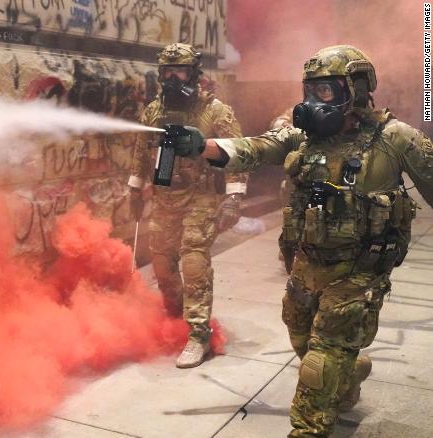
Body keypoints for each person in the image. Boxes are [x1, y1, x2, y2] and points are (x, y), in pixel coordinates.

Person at [177, 45, 433, 437]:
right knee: (300, 335)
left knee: (320, 361)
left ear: (357, 88)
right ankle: (349, 372)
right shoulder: (303, 136)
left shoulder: (395, 139)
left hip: (360, 270)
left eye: (326, 91)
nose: (314, 101)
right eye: (310, 91)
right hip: (308, 261)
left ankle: (309, 426)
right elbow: (255, 147)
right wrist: (204, 147)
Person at [127, 43, 248, 368]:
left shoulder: (215, 111)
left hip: (201, 198)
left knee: (193, 265)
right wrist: (135, 190)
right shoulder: (153, 111)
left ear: (194, 74)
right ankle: (174, 319)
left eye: (178, 71)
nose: (171, 78)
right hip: (165, 198)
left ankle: (198, 333)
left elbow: (237, 152)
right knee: (163, 267)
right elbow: (140, 152)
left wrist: (234, 197)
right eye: (166, 72)